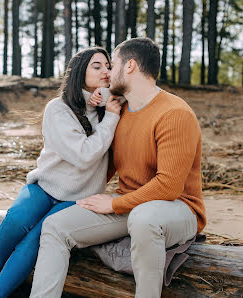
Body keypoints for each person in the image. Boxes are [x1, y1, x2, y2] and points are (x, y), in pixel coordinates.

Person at [30, 37, 206, 298]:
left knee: (144, 218)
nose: (108, 73)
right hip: (131, 204)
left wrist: (113, 205)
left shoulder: (174, 113)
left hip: (179, 208)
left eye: (114, 65)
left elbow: (168, 187)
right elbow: (104, 163)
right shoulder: (120, 112)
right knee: (56, 226)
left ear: (131, 66)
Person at [0, 47, 123, 298]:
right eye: (97, 66)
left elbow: (123, 97)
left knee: (37, 238)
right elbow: (83, 154)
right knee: (17, 220)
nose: (106, 71)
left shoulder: (110, 108)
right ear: (80, 72)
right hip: (45, 186)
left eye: (108, 66)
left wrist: (106, 107)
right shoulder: (58, 109)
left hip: (77, 197)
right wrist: (108, 115)